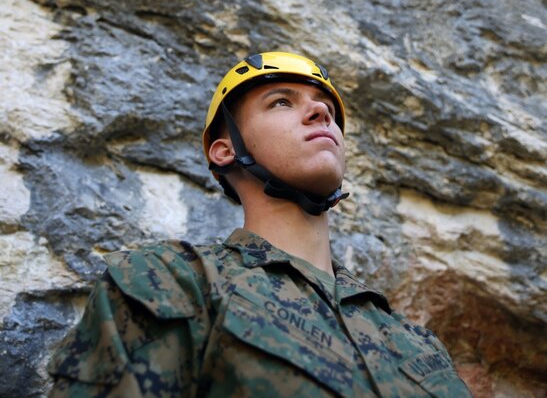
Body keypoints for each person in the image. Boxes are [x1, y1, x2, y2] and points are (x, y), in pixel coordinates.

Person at [49, 51, 471, 396]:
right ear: (224, 150)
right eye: (281, 102)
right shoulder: (173, 282)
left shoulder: (418, 344)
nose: (320, 112)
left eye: (327, 108)